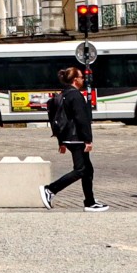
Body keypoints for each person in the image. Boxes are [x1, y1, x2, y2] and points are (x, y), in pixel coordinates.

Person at [43, 64, 107, 211]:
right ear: (75, 79)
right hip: (76, 138)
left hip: (69, 138)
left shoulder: (64, 94)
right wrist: (88, 140)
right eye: (81, 77)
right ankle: (51, 189)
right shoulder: (76, 95)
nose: (83, 79)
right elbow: (81, 119)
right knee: (80, 170)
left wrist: (61, 141)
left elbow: (56, 118)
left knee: (88, 170)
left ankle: (90, 202)